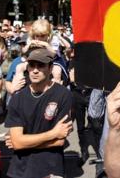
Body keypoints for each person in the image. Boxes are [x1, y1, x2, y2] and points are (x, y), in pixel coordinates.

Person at [4, 48, 73, 178]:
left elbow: (59, 141)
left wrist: (23, 142)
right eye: (31, 65)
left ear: (50, 68)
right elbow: (18, 143)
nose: (35, 70)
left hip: (50, 168)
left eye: (40, 65)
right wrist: (52, 134)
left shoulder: (63, 94)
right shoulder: (18, 98)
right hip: (20, 169)